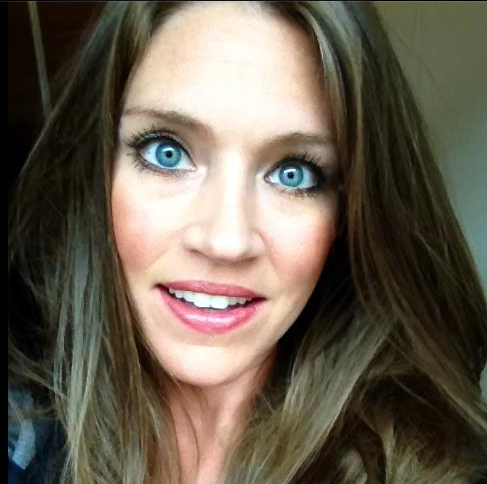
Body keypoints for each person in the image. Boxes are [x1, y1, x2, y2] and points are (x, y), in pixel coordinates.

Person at [8, 2, 487, 484]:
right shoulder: (24, 435)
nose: (226, 241)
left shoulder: (422, 467)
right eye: (167, 152)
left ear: (349, 209)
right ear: (100, 169)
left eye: (294, 173)